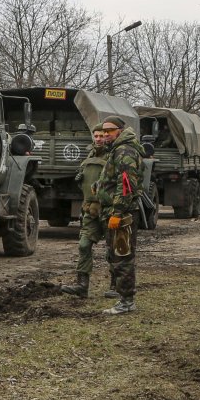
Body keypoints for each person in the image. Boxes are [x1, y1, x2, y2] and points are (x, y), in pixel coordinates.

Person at [58, 121, 115, 298]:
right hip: (89, 209)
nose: (99, 139)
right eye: (96, 136)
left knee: (113, 249)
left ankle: (115, 285)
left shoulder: (114, 155)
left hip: (108, 209)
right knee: (84, 245)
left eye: (101, 135)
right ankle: (82, 285)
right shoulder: (89, 155)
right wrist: (80, 179)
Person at [94, 117, 144, 314]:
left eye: (110, 131)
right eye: (103, 131)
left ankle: (126, 301)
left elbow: (126, 186)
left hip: (123, 214)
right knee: (116, 254)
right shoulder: (116, 149)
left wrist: (117, 212)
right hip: (115, 211)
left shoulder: (125, 151)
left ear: (120, 131)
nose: (106, 134)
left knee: (122, 255)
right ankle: (123, 297)